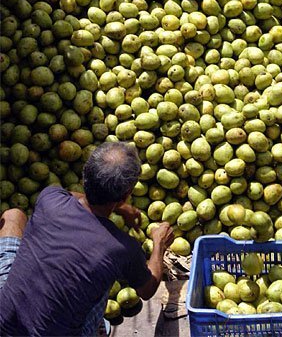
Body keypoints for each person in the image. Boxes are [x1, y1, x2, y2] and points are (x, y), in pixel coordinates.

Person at [0, 142, 174, 336]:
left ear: (85, 177)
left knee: (13, 216)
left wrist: (120, 207)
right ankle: (95, 329)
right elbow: (148, 290)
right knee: (101, 278)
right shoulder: (121, 248)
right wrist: (159, 243)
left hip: (4, 319)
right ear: (126, 195)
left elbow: (72, 196)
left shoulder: (49, 198)